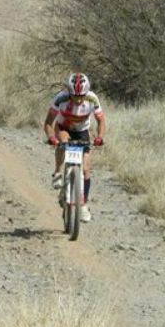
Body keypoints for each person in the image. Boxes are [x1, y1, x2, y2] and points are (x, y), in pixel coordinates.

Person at [43, 72, 106, 223]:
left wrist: (99, 137)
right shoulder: (60, 98)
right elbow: (48, 122)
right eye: (74, 96)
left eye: (81, 96)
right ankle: (58, 172)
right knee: (63, 142)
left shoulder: (92, 98)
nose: (78, 100)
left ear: (86, 92)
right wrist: (51, 137)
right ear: (69, 92)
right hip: (63, 128)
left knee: (86, 170)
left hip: (82, 131)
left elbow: (101, 121)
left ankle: (83, 204)